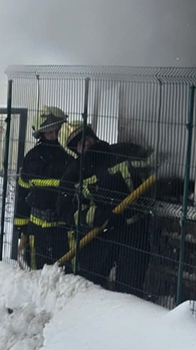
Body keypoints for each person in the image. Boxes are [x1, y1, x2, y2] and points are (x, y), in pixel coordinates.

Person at [58, 120, 157, 295]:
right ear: (75, 150)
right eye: (80, 143)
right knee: (90, 285)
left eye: (87, 138)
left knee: (130, 287)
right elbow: (66, 211)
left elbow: (153, 160)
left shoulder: (122, 151)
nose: (86, 143)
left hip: (134, 229)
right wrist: (96, 215)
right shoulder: (74, 174)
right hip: (99, 234)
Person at [13, 106, 74, 268]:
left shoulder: (69, 158)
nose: (52, 135)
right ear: (41, 133)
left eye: (55, 130)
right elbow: (22, 192)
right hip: (36, 229)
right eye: (48, 132)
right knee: (36, 270)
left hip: (62, 228)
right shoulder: (32, 158)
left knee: (63, 272)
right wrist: (21, 224)